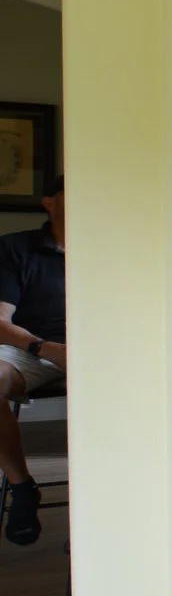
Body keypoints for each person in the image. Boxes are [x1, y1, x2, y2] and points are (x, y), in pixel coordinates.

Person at [0, 175, 65, 545]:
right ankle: (23, 488)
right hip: (32, 349)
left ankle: (107, 506)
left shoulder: (112, 248)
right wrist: (45, 348)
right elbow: (0, 323)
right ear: (49, 202)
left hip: (100, 351)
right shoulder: (15, 249)